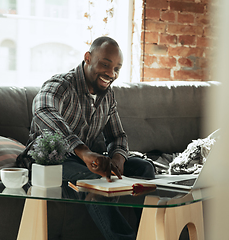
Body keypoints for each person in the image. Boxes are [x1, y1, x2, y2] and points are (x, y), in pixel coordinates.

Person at [26, 36, 155, 240]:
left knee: (144, 168)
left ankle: (151, 233)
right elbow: (43, 110)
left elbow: (117, 136)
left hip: (86, 161)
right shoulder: (61, 84)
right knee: (97, 179)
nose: (111, 74)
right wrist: (83, 151)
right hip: (51, 163)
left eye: (117, 69)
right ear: (87, 58)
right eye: (105, 64)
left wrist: (118, 159)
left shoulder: (108, 96)